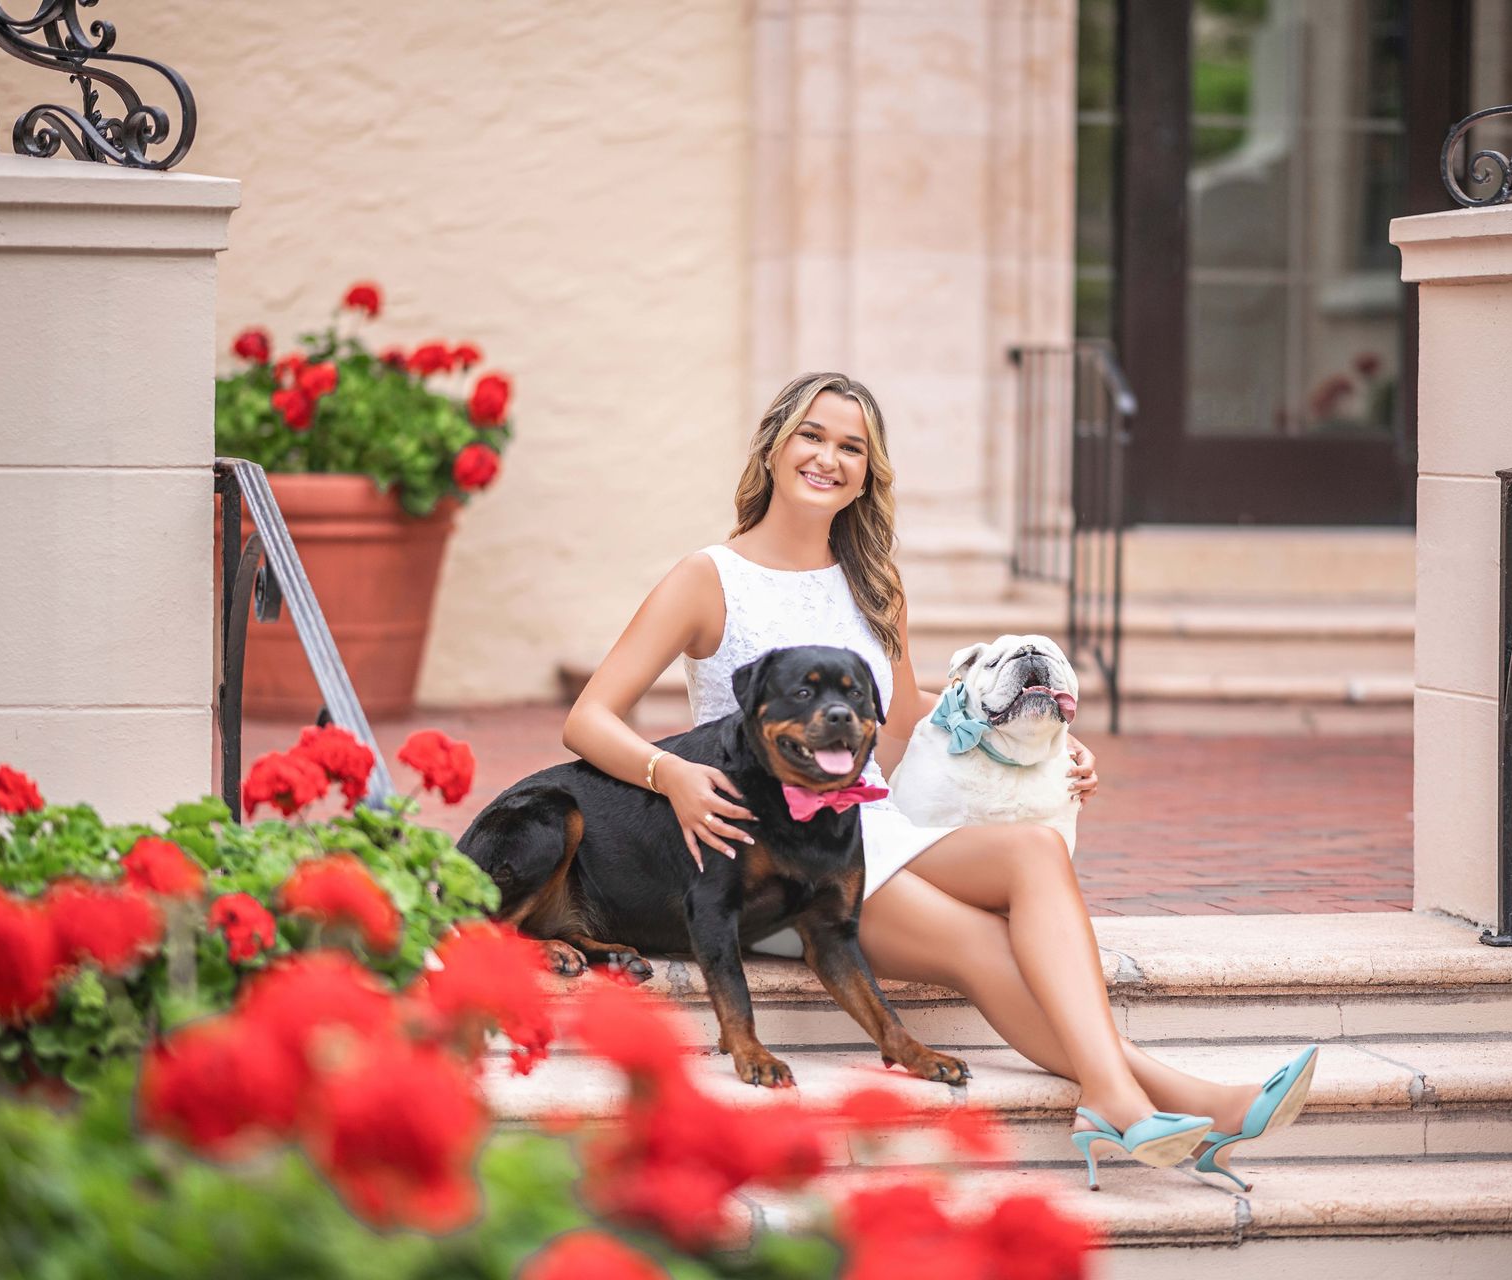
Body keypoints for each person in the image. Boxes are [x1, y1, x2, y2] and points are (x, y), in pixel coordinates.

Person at [562, 371, 1315, 1188]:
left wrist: (1046, 736)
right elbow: (589, 717)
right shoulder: (707, 578)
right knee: (985, 945)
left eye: (852, 447)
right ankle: (1166, 1098)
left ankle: (1125, 1096)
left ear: (869, 472)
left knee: (1035, 852)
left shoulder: (873, 585)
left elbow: (914, 711)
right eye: (813, 436)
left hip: (865, 830)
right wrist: (669, 772)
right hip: (770, 864)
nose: (829, 458)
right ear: (774, 445)